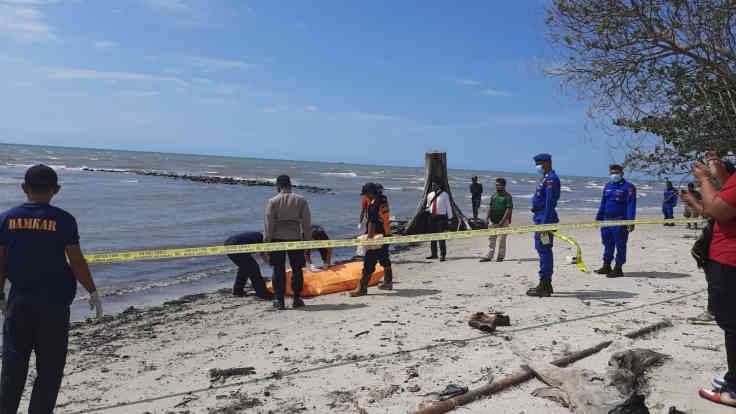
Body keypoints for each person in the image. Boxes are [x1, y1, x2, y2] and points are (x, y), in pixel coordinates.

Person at [0, 164, 103, 413]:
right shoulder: (64, 220)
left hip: (19, 300)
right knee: (49, 371)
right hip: (54, 305)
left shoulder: (6, 219)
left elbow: (0, 263)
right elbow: (76, 262)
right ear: (56, 190)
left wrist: (0, 294)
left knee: (12, 369)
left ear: (24, 188)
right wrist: (92, 291)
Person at [688, 152, 736, 407]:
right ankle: (733, 377)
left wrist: (705, 179)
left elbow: (715, 209)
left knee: (732, 324)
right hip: (727, 259)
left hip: (730, 261)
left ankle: (734, 388)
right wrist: (721, 176)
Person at [264, 175, 311, 310]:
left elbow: (268, 224)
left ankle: (280, 301)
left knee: (278, 270)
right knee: (297, 270)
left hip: (277, 239)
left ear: (278, 186)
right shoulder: (301, 200)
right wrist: (307, 242)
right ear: (290, 184)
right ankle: (296, 299)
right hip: (295, 239)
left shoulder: (273, 201)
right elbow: (307, 223)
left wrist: (267, 242)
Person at [351, 183, 394, 296]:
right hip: (386, 234)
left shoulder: (373, 205)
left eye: (366, 194)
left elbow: (372, 222)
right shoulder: (383, 200)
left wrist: (369, 241)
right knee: (384, 258)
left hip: (376, 237)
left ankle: (362, 288)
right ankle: (388, 282)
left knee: (369, 262)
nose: (365, 197)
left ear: (370, 193)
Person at [527, 153, 561, 297]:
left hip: (544, 219)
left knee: (544, 249)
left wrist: (544, 224)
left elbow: (549, 203)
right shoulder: (546, 179)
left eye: (539, 164)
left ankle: (545, 284)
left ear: (547, 162)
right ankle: (545, 283)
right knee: (542, 248)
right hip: (540, 218)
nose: (537, 167)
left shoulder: (551, 179)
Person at [594, 164, 636, 278]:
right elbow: (603, 203)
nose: (614, 175)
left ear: (622, 174)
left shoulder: (628, 187)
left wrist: (631, 221)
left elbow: (631, 205)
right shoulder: (608, 186)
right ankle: (606, 266)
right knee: (607, 243)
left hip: (620, 219)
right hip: (606, 219)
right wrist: (598, 218)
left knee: (620, 244)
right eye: (612, 173)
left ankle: (618, 268)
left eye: (616, 173)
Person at [224, 231, 273, 299]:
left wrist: (269, 263)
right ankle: (263, 293)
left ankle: (238, 291)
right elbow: (263, 254)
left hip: (229, 243)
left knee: (245, 268)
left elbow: (263, 253)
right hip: (236, 244)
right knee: (253, 268)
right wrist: (270, 264)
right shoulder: (266, 239)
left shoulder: (259, 235)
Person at [480, 178, 513, 262]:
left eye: (498, 185)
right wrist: (487, 218)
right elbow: (490, 207)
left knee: (502, 239)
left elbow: (508, 209)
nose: (496, 186)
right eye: (496, 185)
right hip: (492, 220)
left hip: (503, 222)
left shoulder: (507, 196)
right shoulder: (494, 195)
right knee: (491, 239)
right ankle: (489, 256)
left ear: (503, 185)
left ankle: (500, 256)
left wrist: (503, 220)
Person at [425, 182, 453, 262]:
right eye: (432, 185)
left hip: (441, 218)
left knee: (441, 237)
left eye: (434, 185)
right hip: (432, 217)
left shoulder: (444, 194)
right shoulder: (429, 195)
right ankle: (434, 254)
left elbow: (448, 206)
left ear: (439, 185)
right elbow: (428, 205)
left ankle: (442, 255)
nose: (433, 186)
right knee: (432, 236)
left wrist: (450, 218)